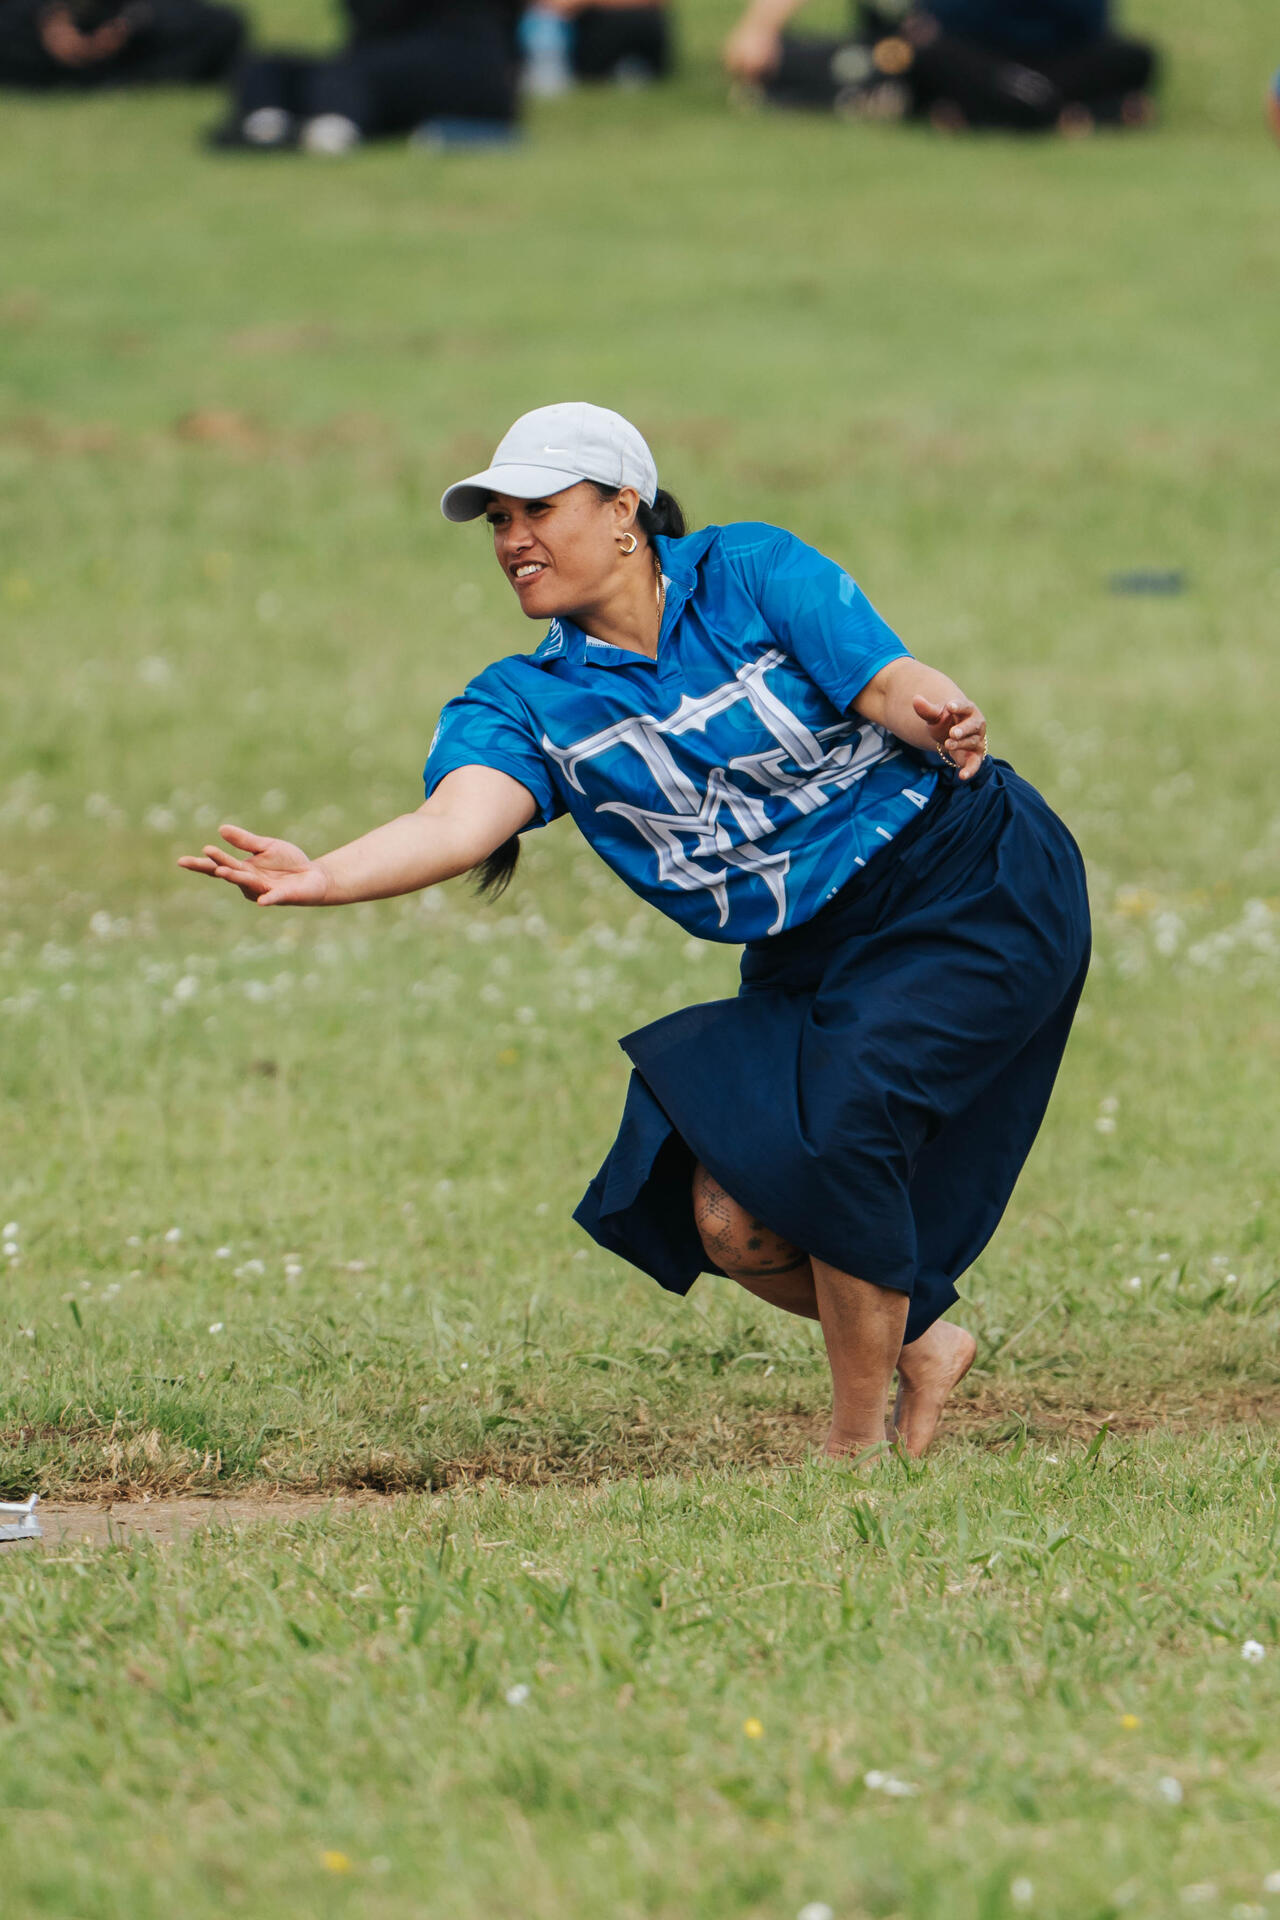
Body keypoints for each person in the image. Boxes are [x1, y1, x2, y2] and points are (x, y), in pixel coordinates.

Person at [180, 402, 1091, 1463]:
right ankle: (922, 1342)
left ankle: (853, 1459)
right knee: (731, 1220)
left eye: (537, 509)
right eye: (496, 522)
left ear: (624, 510)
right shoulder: (524, 702)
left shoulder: (749, 571)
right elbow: (456, 818)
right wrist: (327, 875)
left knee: (839, 1127)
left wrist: (944, 712)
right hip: (811, 947)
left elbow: (886, 681)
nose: (512, 538)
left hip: (965, 878)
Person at [724, 0, 1157, 134]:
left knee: (1137, 58)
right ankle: (1073, 115)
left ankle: (1005, 109)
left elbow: (1093, 26)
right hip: (963, 52)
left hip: (1052, 54)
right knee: (920, 52)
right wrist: (758, 28)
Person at [208, 0, 520, 154]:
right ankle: (265, 125)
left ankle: (330, 133)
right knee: (265, 67)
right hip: (379, 59)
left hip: (465, 62)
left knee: (350, 76)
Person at [0, 0, 242, 90]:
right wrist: (49, 19)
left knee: (220, 27)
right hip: (33, 35)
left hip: (128, 37)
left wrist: (127, 24)